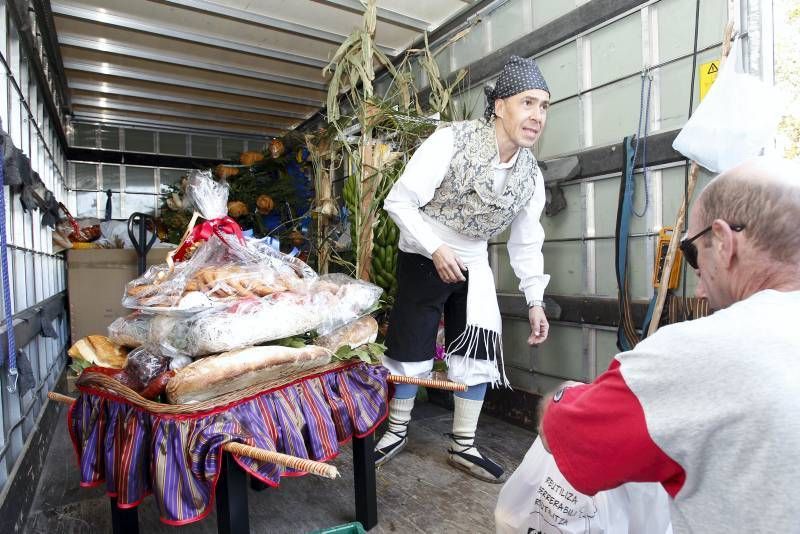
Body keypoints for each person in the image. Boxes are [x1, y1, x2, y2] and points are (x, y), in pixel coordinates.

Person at [537, 157, 800, 532]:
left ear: (724, 242)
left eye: (692, 251)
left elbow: (567, 433)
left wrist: (562, 396)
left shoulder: (700, 351)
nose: (698, 281)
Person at [375, 55, 552, 483]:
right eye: (528, 103)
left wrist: (535, 300)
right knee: (410, 344)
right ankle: (396, 431)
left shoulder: (530, 176)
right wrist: (435, 248)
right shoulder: (449, 141)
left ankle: (463, 445)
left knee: (478, 346)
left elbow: (527, 240)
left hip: (474, 258)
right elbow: (399, 201)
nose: (537, 116)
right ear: (499, 106)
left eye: (545, 106)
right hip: (423, 247)